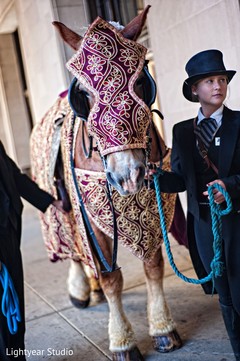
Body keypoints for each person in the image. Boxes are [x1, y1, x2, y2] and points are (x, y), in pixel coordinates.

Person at [156, 49, 240, 360]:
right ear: (195, 90)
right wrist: (154, 176)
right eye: (208, 81)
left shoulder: (239, 123)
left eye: (221, 79)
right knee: (226, 300)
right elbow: (180, 180)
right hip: (205, 228)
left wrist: (229, 186)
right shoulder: (181, 132)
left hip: (237, 222)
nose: (217, 86)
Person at [0, 140, 65, 360]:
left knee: (14, 298)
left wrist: (49, 202)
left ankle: (17, 355)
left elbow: (15, 177)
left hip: (7, 230)